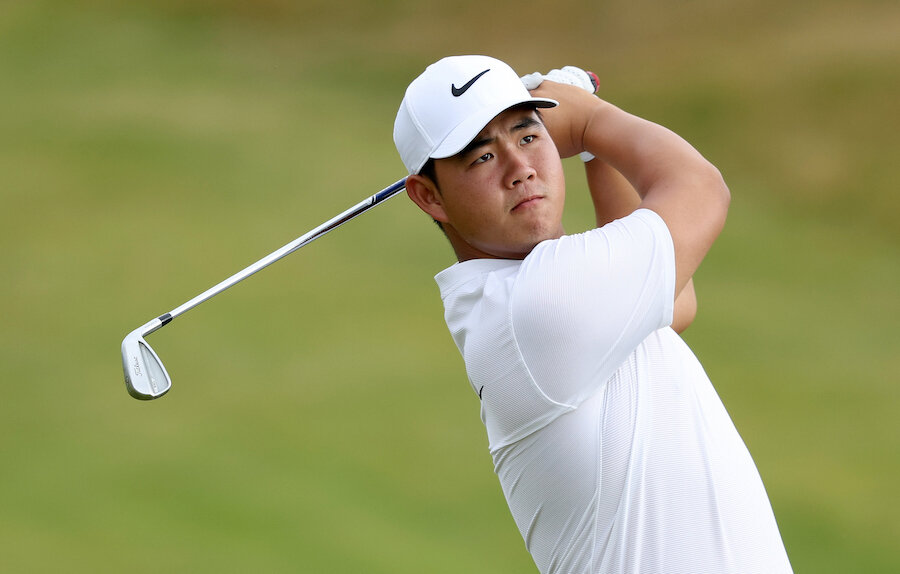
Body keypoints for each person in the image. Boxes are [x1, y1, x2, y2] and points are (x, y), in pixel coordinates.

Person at [393, 55, 792, 573]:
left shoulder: (516, 299)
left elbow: (671, 307)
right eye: (483, 157)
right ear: (429, 196)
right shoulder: (538, 304)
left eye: (528, 136)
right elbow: (700, 188)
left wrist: (592, 149)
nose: (520, 168)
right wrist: (588, 118)